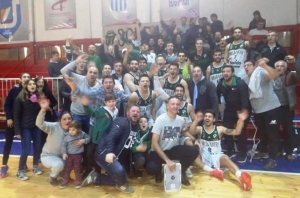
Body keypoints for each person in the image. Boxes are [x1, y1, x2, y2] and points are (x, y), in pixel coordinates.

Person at [82, 105, 141, 194]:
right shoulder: (121, 122)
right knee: (119, 172)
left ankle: (96, 177)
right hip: (104, 153)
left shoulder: (136, 127)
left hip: (116, 156)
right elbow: (111, 137)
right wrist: (109, 152)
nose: (135, 113)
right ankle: (121, 185)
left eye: (138, 111)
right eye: (133, 111)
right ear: (128, 112)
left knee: (123, 177)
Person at [188, 110, 252, 191]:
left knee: (226, 158)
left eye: (209, 116)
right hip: (204, 157)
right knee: (193, 157)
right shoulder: (200, 129)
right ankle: (213, 171)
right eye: (206, 116)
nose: (207, 118)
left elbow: (237, 132)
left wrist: (241, 120)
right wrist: (196, 120)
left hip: (216, 156)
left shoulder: (219, 129)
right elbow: (190, 133)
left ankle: (242, 176)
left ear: (214, 119)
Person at [146, 96, 199, 186]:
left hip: (172, 149)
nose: (175, 106)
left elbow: (182, 131)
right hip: (158, 151)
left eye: (177, 104)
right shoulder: (160, 120)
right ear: (168, 106)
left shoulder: (180, 120)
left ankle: (182, 172)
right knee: (151, 169)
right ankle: (158, 171)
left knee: (194, 150)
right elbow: (154, 143)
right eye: (173, 104)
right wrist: (167, 160)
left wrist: (194, 140)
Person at [243, 59, 281, 170]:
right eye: (244, 65)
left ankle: (273, 159)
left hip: (271, 108)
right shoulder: (245, 79)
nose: (246, 67)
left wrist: (265, 66)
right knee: (262, 134)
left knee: (272, 135)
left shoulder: (261, 73)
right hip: (258, 111)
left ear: (254, 66)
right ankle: (263, 152)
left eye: (249, 65)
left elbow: (275, 75)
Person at [217, 65, 251, 162]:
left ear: (233, 73)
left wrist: (244, 112)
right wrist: (219, 103)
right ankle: (230, 150)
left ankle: (242, 153)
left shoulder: (240, 83)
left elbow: (245, 99)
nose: (225, 73)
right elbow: (217, 94)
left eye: (228, 71)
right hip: (229, 109)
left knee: (241, 131)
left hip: (242, 109)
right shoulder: (220, 84)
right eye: (223, 71)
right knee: (226, 129)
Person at [0, 73, 31, 178]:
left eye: (28, 77)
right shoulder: (14, 90)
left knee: (24, 144)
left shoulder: (31, 91)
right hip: (12, 122)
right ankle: (4, 165)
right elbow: (7, 105)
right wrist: (8, 117)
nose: (26, 78)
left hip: (23, 123)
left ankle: (23, 164)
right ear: (20, 79)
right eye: (24, 77)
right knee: (8, 143)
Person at [36, 99, 73, 185]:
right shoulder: (53, 127)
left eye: (69, 118)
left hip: (63, 156)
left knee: (78, 159)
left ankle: (62, 172)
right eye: (64, 119)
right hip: (48, 156)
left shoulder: (73, 130)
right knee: (59, 164)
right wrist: (43, 110)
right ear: (60, 120)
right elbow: (39, 123)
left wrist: (83, 140)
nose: (67, 121)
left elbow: (85, 136)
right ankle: (53, 176)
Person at [81, 93, 118, 176]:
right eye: (109, 102)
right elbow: (91, 112)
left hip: (107, 139)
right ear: (105, 103)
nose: (111, 103)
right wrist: (86, 105)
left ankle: (106, 171)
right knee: (93, 154)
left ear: (116, 101)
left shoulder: (116, 111)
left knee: (104, 155)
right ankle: (94, 171)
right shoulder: (101, 110)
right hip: (97, 139)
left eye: (113, 101)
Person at [14, 79, 42, 180]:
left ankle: (35, 166)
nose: (32, 85)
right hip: (25, 127)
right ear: (26, 86)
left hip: (36, 127)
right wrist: (17, 130)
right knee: (26, 149)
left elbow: (43, 111)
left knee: (38, 147)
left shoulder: (39, 96)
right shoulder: (20, 98)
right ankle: (20, 171)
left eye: (34, 84)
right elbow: (16, 115)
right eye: (30, 84)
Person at [273, 58, 300, 161]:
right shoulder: (270, 77)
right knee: (274, 131)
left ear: (286, 67)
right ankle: (278, 150)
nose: (279, 68)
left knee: (288, 130)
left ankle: (289, 152)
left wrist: (294, 63)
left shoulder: (291, 75)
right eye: (277, 66)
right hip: (273, 108)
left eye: (282, 66)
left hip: (286, 108)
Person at [60, 121, 90, 189]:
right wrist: (64, 153)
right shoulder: (66, 137)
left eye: (73, 130)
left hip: (78, 155)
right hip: (69, 155)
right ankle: (66, 180)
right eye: (70, 129)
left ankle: (77, 181)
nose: (71, 131)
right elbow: (63, 146)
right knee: (67, 168)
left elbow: (88, 138)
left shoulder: (81, 134)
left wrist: (83, 141)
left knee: (77, 168)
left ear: (78, 129)